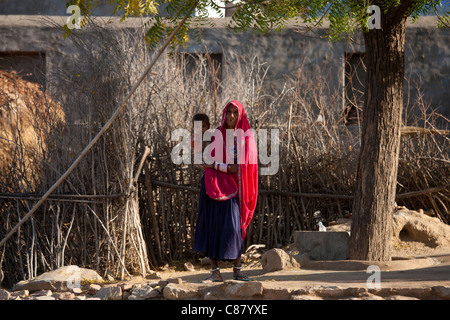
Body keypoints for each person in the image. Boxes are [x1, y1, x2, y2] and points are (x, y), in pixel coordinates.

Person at [194, 101, 258, 282]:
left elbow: (239, 168)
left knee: (233, 229)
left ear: (241, 116)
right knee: (211, 227)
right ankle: (215, 272)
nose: (230, 116)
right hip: (212, 186)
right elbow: (203, 158)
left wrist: (214, 165)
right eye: (228, 112)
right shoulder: (217, 135)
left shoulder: (246, 138)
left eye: (234, 113)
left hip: (233, 190)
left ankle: (237, 270)